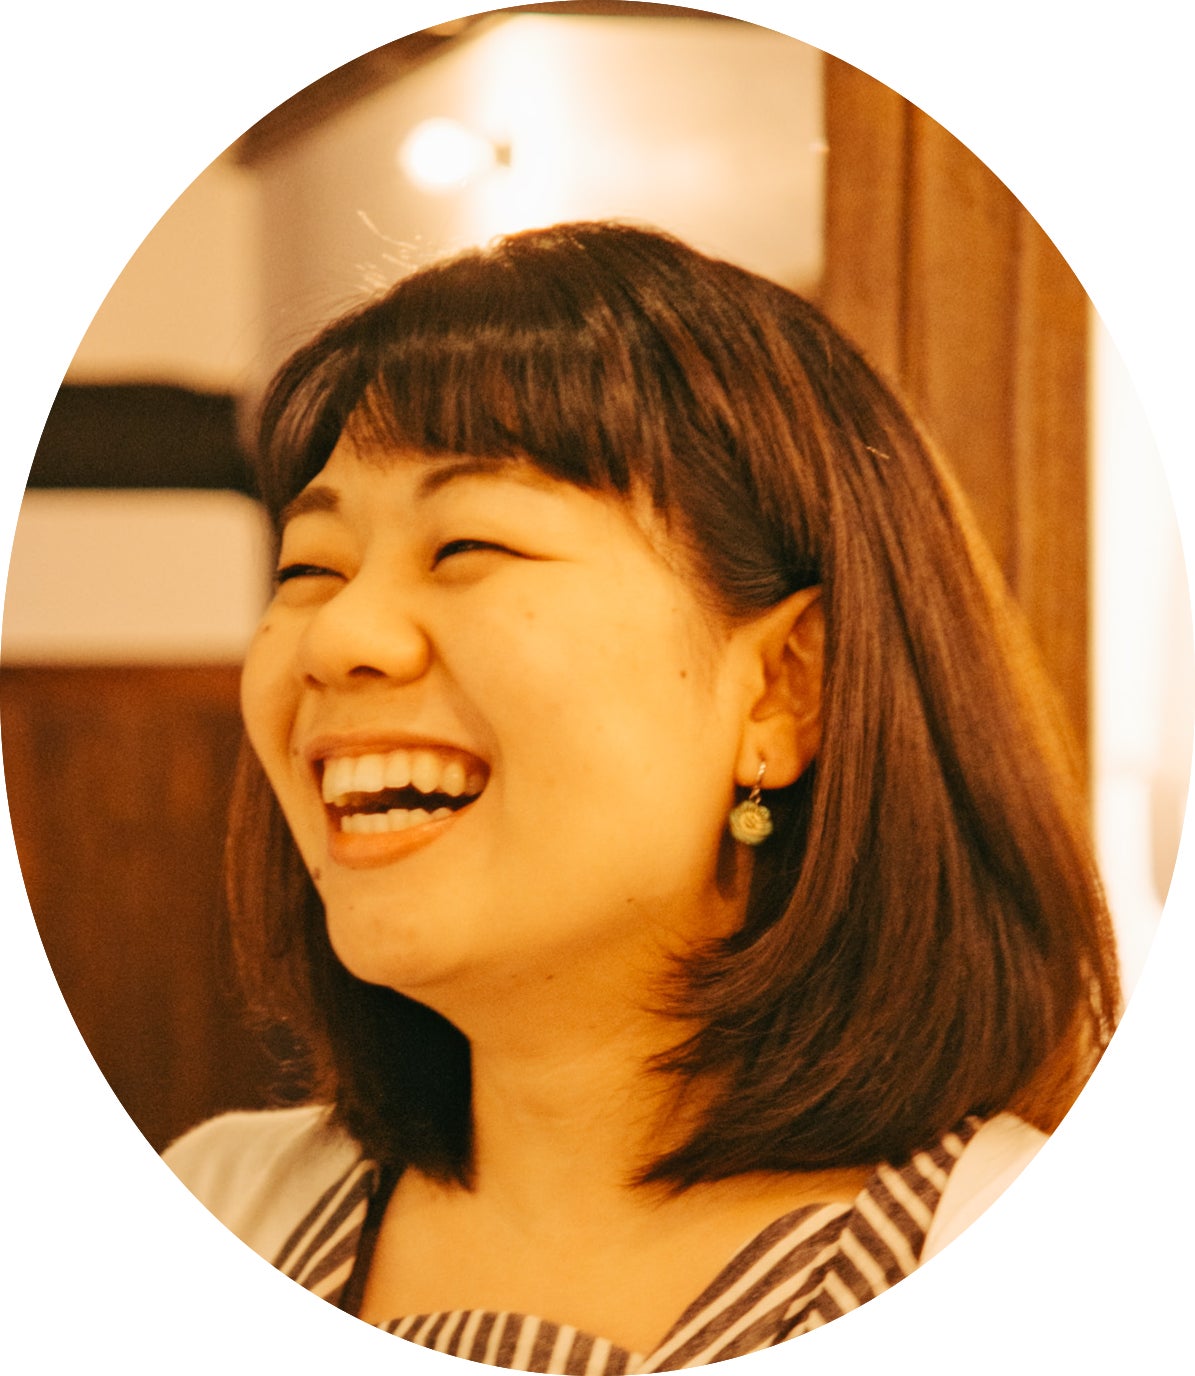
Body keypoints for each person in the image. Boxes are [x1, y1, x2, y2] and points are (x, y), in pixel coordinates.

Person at [165, 221, 1120, 1371]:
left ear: (783, 688)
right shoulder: (220, 1210)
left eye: (467, 545)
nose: (336, 637)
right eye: (307, 568)